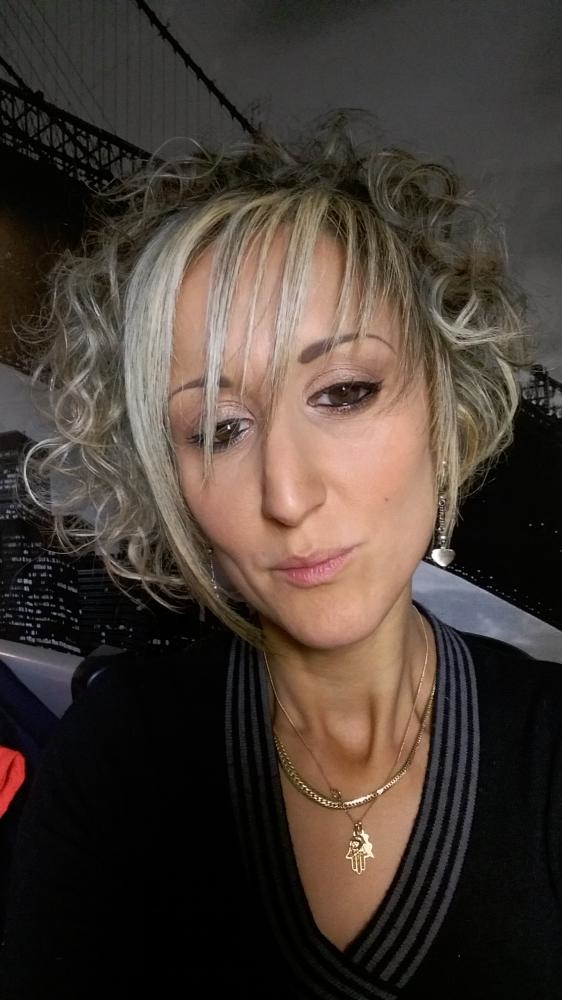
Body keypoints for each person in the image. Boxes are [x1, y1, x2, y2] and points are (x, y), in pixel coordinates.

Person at [0, 112, 560, 999]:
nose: (287, 495)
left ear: (445, 409)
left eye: (345, 391)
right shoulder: (120, 759)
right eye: (219, 429)